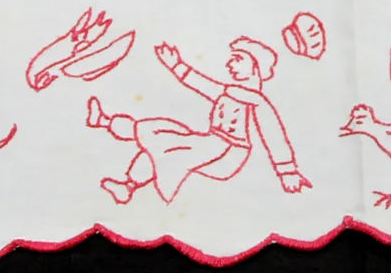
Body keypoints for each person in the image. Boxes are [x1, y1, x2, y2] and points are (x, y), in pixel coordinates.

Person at [86, 37, 312, 204]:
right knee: (162, 143)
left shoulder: (256, 101)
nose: (230, 65)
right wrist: (175, 64)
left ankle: (105, 122)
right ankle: (127, 186)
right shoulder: (227, 92)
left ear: (255, 67)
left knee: (164, 139)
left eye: (238, 59)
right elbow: (198, 82)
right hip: (211, 144)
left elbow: (274, 134)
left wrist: (287, 171)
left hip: (227, 153)